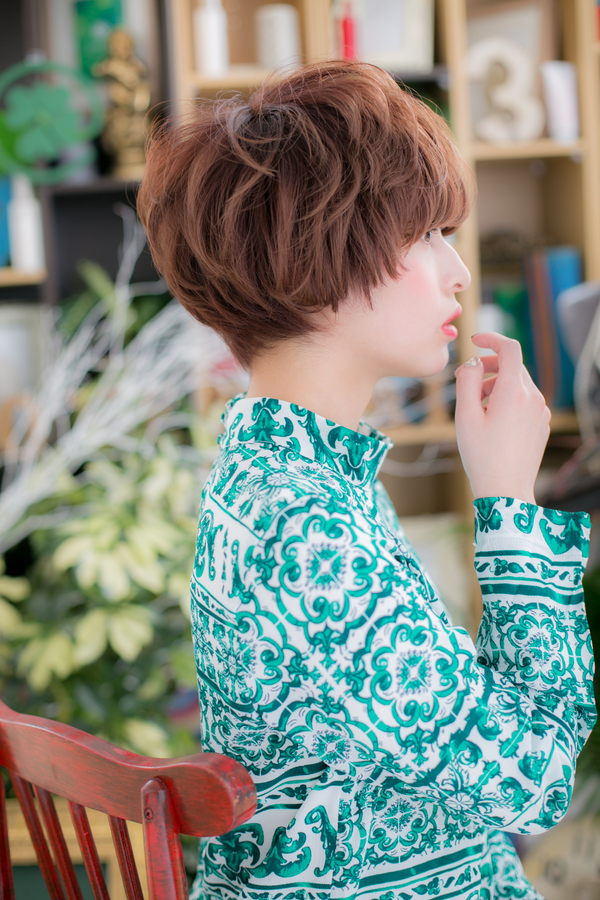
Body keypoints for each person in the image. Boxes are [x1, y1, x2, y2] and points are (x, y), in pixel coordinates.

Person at [137, 60, 595, 900]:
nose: (458, 271)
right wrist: (506, 502)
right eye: (426, 236)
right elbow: (531, 784)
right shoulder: (304, 524)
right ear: (316, 254)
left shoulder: (279, 470)